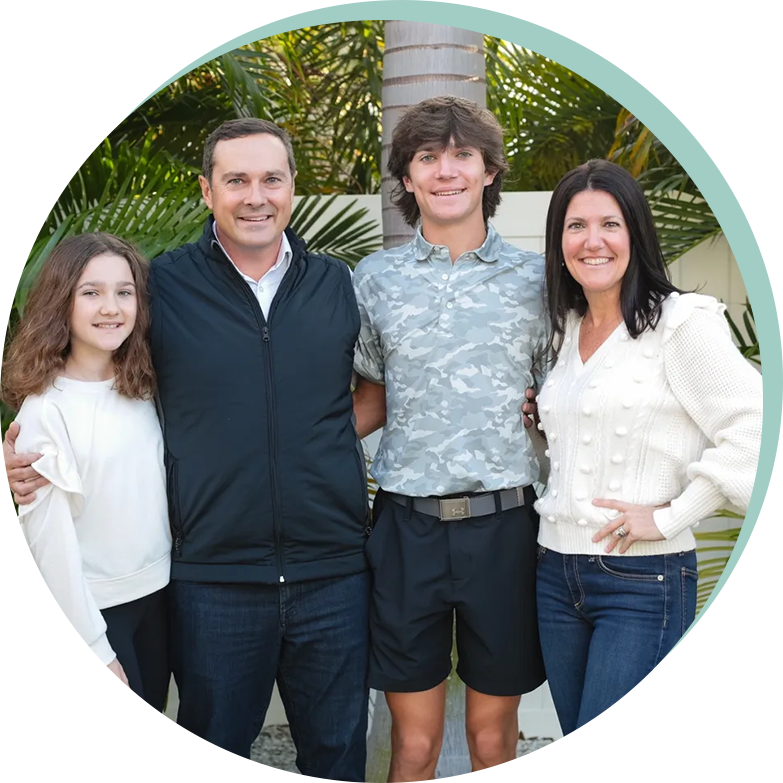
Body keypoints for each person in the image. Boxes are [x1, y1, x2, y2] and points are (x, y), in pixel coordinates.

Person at [5, 118, 384, 783]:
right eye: (235, 180)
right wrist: (32, 440)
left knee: (338, 757)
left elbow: (381, 389)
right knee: (210, 762)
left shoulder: (337, 286)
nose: (255, 195)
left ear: (293, 186)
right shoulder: (163, 287)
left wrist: (304, 443)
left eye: (271, 178)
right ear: (208, 191)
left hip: (332, 573)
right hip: (212, 579)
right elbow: (92, 363)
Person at [532, 159, 763, 780]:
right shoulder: (566, 327)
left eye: (610, 223)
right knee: (584, 760)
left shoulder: (682, 323)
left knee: (615, 768)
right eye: (576, 226)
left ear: (636, 232)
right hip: (555, 576)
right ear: (559, 242)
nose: (592, 240)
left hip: (643, 583)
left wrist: (671, 515)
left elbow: (756, 429)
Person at [352, 96, 548, 782]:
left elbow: (567, 398)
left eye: (462, 154)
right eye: (426, 157)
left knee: (493, 743)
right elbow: (369, 396)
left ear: (488, 170)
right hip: (407, 532)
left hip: (507, 527)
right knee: (412, 748)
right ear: (406, 178)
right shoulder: (373, 281)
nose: (445, 170)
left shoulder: (539, 280)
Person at [0, 233, 171, 783]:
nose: (111, 307)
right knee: (113, 759)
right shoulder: (46, 409)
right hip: (96, 615)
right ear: (61, 302)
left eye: (125, 292)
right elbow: (49, 549)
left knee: (145, 744)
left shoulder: (144, 386)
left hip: (158, 600)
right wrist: (94, 646)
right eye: (91, 292)